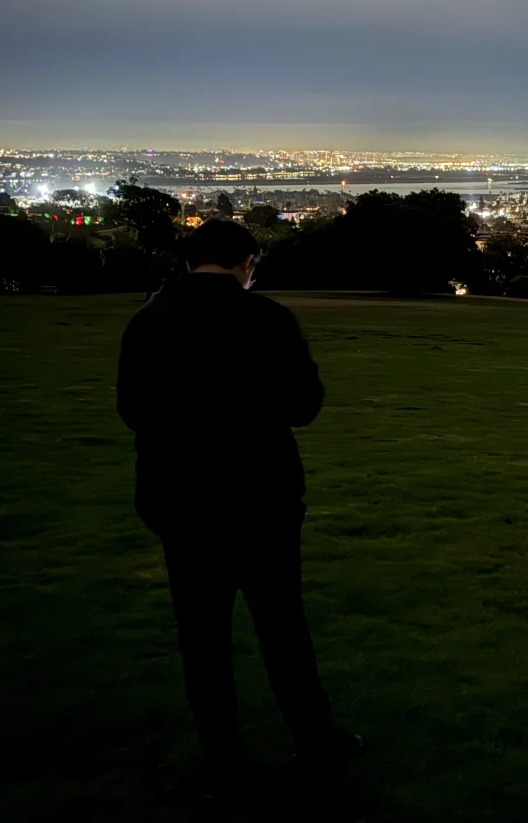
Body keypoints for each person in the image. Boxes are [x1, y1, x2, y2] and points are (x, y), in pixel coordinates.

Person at [116, 217, 360, 804]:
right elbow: (305, 405)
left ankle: (222, 757)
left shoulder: (150, 321)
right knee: (283, 628)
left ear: (189, 259)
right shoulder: (268, 319)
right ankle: (314, 739)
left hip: (182, 505)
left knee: (202, 636)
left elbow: (132, 410)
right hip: (262, 502)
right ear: (247, 261)